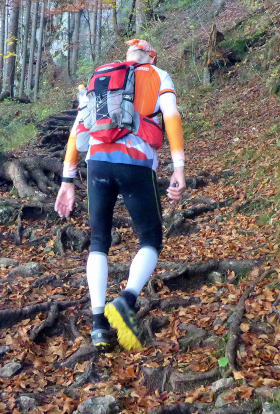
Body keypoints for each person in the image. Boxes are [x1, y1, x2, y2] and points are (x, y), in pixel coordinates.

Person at [54, 39, 187, 351]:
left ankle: (98, 324)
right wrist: (179, 167)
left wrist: (67, 180)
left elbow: (77, 130)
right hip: (135, 163)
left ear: (127, 56)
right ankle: (126, 301)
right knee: (150, 239)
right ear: (151, 57)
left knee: (99, 241)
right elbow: (171, 117)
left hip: (97, 162)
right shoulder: (157, 75)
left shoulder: (101, 78)